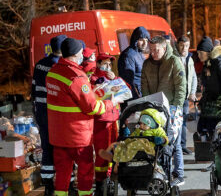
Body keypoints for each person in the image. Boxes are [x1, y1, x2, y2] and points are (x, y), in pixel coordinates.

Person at [46, 38, 115, 196]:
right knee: (85, 171)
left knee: (63, 173)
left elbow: (66, 96)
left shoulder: (53, 71)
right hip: (77, 136)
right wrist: (111, 103)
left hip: (58, 135)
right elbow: (92, 107)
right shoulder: (77, 76)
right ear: (77, 54)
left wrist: (90, 88)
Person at [31, 34, 77, 196]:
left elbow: (34, 89)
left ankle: (48, 185)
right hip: (58, 114)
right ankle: (69, 183)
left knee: (47, 148)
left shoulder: (40, 64)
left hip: (42, 112)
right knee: (65, 148)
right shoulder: (61, 66)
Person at [141, 36, 186, 186]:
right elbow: (144, 86)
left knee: (175, 142)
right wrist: (148, 105)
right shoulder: (147, 64)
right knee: (158, 141)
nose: (153, 53)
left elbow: (181, 86)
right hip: (154, 109)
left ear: (164, 48)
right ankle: (160, 172)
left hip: (172, 108)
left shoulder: (173, 61)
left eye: (156, 50)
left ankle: (178, 173)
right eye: (151, 50)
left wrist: (177, 107)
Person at [90, 53, 120, 196]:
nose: (108, 67)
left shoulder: (113, 78)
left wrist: (115, 80)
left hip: (113, 120)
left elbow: (125, 89)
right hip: (101, 121)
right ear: (98, 64)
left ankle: (110, 179)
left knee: (113, 151)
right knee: (102, 153)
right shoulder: (94, 79)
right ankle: (101, 184)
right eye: (105, 64)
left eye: (110, 64)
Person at [98, 108, 168, 165]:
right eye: (140, 123)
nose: (141, 126)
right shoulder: (138, 130)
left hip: (148, 149)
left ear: (152, 125)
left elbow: (166, 139)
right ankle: (111, 154)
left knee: (137, 143)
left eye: (144, 124)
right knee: (118, 143)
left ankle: (115, 158)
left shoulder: (157, 130)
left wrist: (162, 140)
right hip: (135, 146)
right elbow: (131, 137)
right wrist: (126, 133)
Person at [196, 36, 221, 139]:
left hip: (220, 107)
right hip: (210, 107)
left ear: (208, 52)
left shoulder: (219, 63)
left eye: (200, 53)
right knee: (203, 131)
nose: (198, 56)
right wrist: (202, 101)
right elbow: (207, 88)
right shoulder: (207, 64)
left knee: (218, 134)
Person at [176, 35, 197, 155]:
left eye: (187, 46)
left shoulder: (190, 59)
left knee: (183, 121)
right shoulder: (174, 58)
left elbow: (193, 77)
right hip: (175, 96)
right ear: (178, 45)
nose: (184, 48)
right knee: (175, 122)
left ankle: (182, 145)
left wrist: (193, 92)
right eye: (182, 45)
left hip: (185, 97)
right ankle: (176, 147)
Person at [118, 26, 150, 100]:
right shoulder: (129, 55)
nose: (145, 43)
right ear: (135, 40)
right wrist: (137, 98)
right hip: (134, 97)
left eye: (146, 40)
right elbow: (128, 81)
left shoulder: (139, 53)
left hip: (141, 94)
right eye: (142, 40)